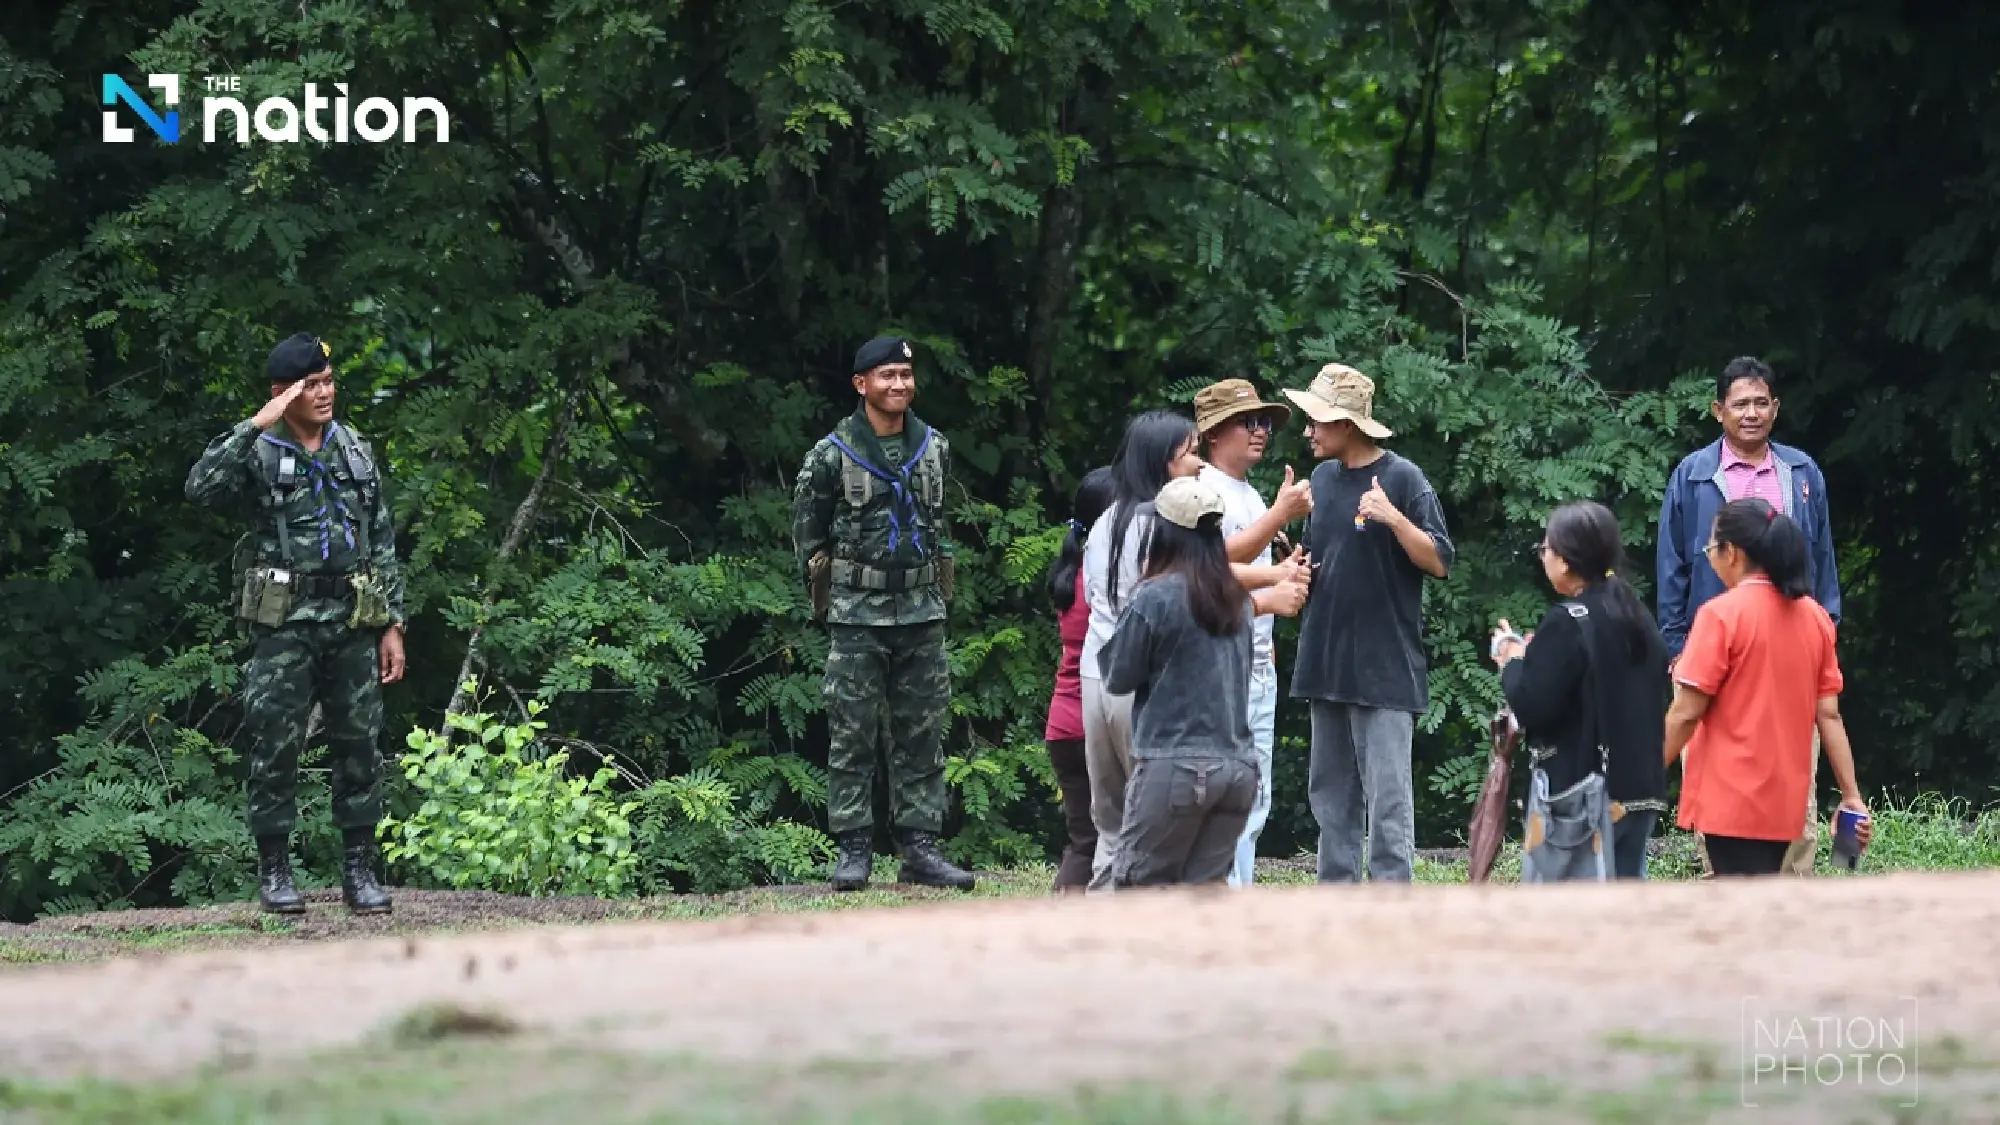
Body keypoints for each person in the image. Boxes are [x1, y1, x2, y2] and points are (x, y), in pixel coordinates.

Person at [184, 333, 404, 915]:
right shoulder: (259, 451)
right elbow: (199, 488)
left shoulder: (354, 448)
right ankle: (275, 869)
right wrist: (258, 422)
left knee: (360, 744)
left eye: (329, 381)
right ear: (283, 394)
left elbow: (380, 538)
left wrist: (392, 624)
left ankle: (359, 869)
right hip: (284, 620)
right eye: (312, 385)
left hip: (353, 616)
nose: (326, 392)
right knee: (276, 742)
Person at [1081, 411, 1307, 892]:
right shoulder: (1186, 563)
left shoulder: (1111, 526)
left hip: (1117, 695)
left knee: (1123, 846)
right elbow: (1206, 581)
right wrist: (1270, 585)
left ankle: (1106, 942)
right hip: (1211, 747)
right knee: (1196, 879)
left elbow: (1124, 658)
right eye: (1190, 454)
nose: (1201, 464)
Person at [792, 335, 975, 893]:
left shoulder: (935, 447)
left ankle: (919, 846)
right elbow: (807, 535)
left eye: (905, 374)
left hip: (921, 610)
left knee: (922, 731)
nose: (899, 385)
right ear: (861, 384)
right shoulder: (831, 453)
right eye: (886, 375)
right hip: (856, 615)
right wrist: (833, 595)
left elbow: (940, 524)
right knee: (852, 732)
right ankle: (853, 847)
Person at [1658, 357, 1840, 876]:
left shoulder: (1801, 474)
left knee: (1793, 775)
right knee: (1716, 771)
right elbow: (1672, 568)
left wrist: (1822, 632)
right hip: (1711, 650)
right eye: (1741, 404)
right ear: (1719, 411)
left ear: (1776, 408)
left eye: (1762, 402)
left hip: (1788, 656)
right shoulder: (1692, 476)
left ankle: (1794, 887)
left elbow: (1821, 561)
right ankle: (1722, 881)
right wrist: (1677, 652)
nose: (1752, 413)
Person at [1283, 364, 1454, 884]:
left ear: (1349, 424)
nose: (1308, 430)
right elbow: (1321, 554)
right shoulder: (1320, 480)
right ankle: (1337, 904)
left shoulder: (1402, 478)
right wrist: (1296, 566)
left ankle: (1390, 906)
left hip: (1385, 669)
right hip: (1325, 661)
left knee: (1387, 803)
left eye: (1317, 420)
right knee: (1330, 800)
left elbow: (1441, 561)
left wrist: (1394, 518)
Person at [1662, 499, 1870, 877]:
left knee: (1740, 911)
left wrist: (1643, 771)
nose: (1710, 559)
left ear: (1733, 553)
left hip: (1729, 800)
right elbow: (1829, 715)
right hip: (1784, 802)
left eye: (1712, 550)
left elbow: (1686, 712)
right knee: (1763, 895)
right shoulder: (1816, 618)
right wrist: (1851, 795)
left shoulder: (1720, 615)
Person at [1490, 502, 1669, 880]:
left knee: (1567, 917)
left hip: (1583, 794)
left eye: (1545, 549)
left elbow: (1532, 705)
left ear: (1566, 561)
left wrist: (1511, 658)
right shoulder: (1636, 614)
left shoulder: (1567, 621)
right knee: (1625, 909)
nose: (1543, 557)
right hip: (1640, 789)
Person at [1096, 477, 1260, 887]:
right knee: (1204, 899)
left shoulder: (1155, 596)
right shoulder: (1237, 597)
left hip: (1176, 767)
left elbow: (1118, 677)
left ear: (1166, 533)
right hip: (1237, 771)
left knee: (1139, 888)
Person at [1191, 379, 1313, 887]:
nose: (1261, 432)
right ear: (1215, 431)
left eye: (1264, 422)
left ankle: (1238, 894)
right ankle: (1220, 899)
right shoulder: (1200, 489)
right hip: (1220, 661)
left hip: (1255, 659)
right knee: (1227, 792)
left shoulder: (1249, 492)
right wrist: (1280, 516)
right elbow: (1207, 566)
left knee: (1254, 794)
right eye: (1250, 422)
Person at [1042, 467, 1114, 893]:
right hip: (1091, 719)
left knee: (1084, 840)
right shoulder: (1105, 578)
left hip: (1064, 721)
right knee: (1096, 841)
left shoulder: (1075, 572)